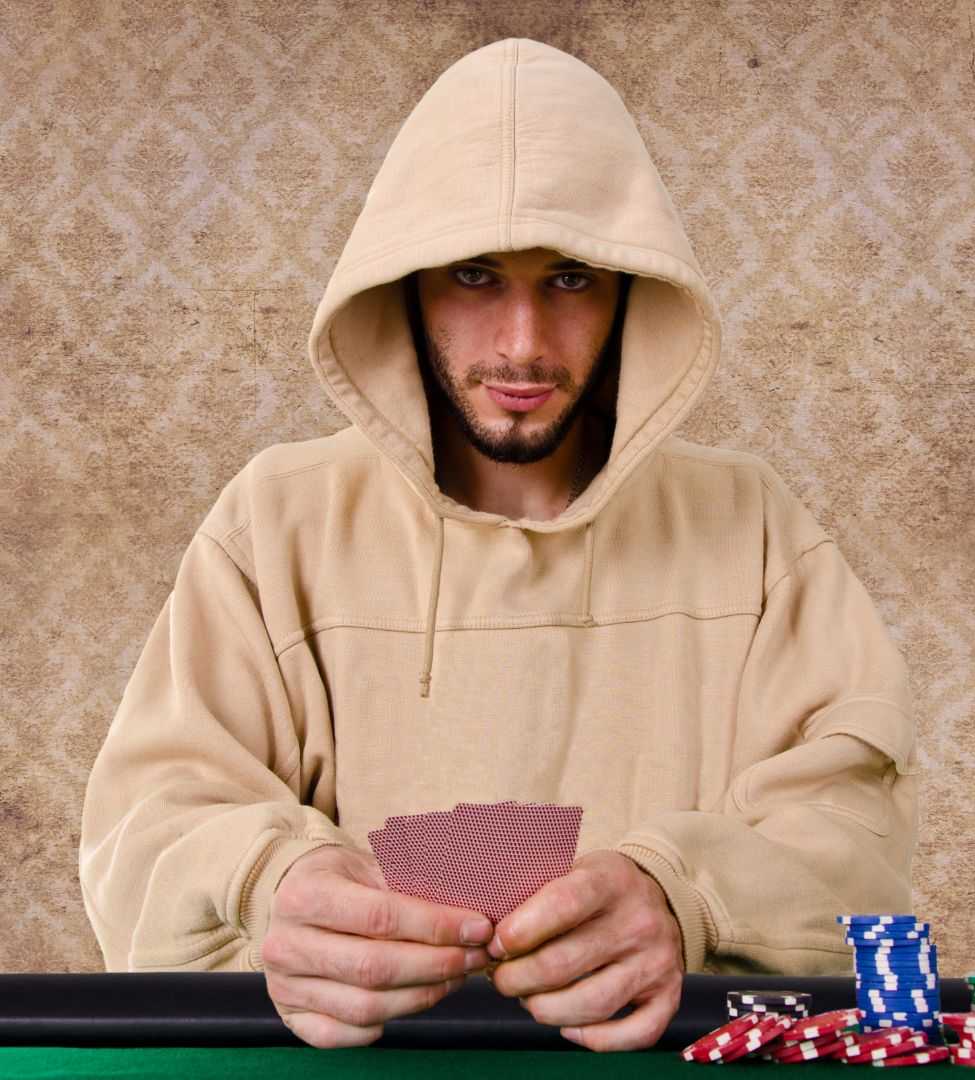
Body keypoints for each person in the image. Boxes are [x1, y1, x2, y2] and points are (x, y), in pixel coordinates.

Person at [79, 37, 917, 1053]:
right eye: (475, 276)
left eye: (570, 278)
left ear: (631, 292)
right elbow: (146, 822)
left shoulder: (754, 525)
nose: (522, 342)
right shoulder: (275, 520)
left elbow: (861, 847)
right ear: (405, 287)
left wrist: (685, 893)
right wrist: (270, 885)